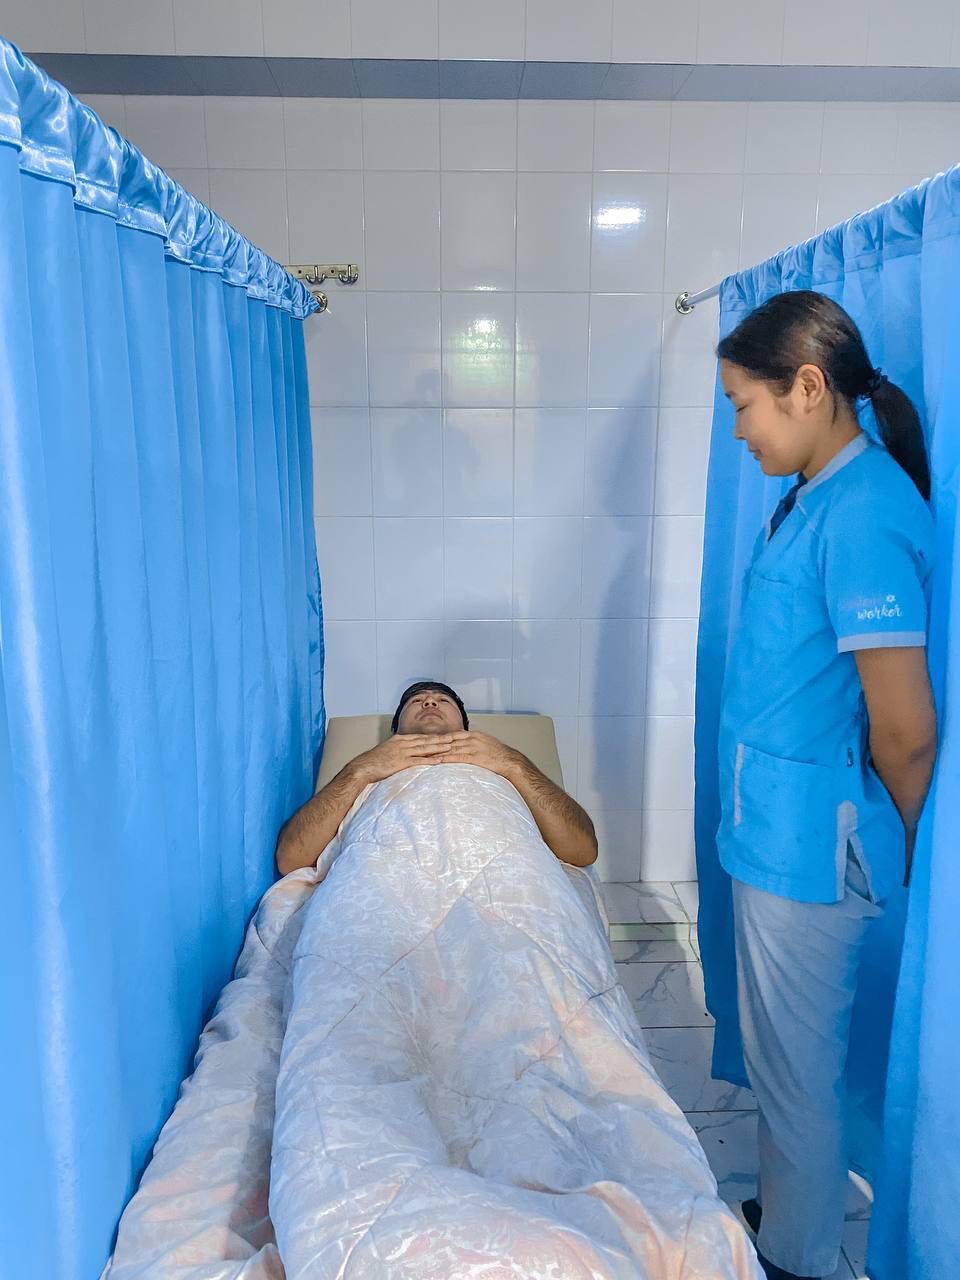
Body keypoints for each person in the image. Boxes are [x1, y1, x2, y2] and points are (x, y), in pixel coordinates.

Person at [714, 291, 938, 1280]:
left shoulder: (867, 513)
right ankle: (792, 1215)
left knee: (798, 1076)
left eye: (744, 405)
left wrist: (916, 846)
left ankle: (797, 1260)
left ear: (807, 387)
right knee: (783, 1066)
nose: (738, 430)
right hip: (776, 828)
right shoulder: (817, 491)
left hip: (811, 847)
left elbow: (906, 730)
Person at [276, 680, 598, 877]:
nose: (430, 701)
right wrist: (360, 769)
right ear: (395, 729)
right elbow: (291, 858)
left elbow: (582, 849)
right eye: (417, 701)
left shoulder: (504, 766)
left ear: (465, 726)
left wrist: (513, 763)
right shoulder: (368, 772)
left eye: (443, 701)